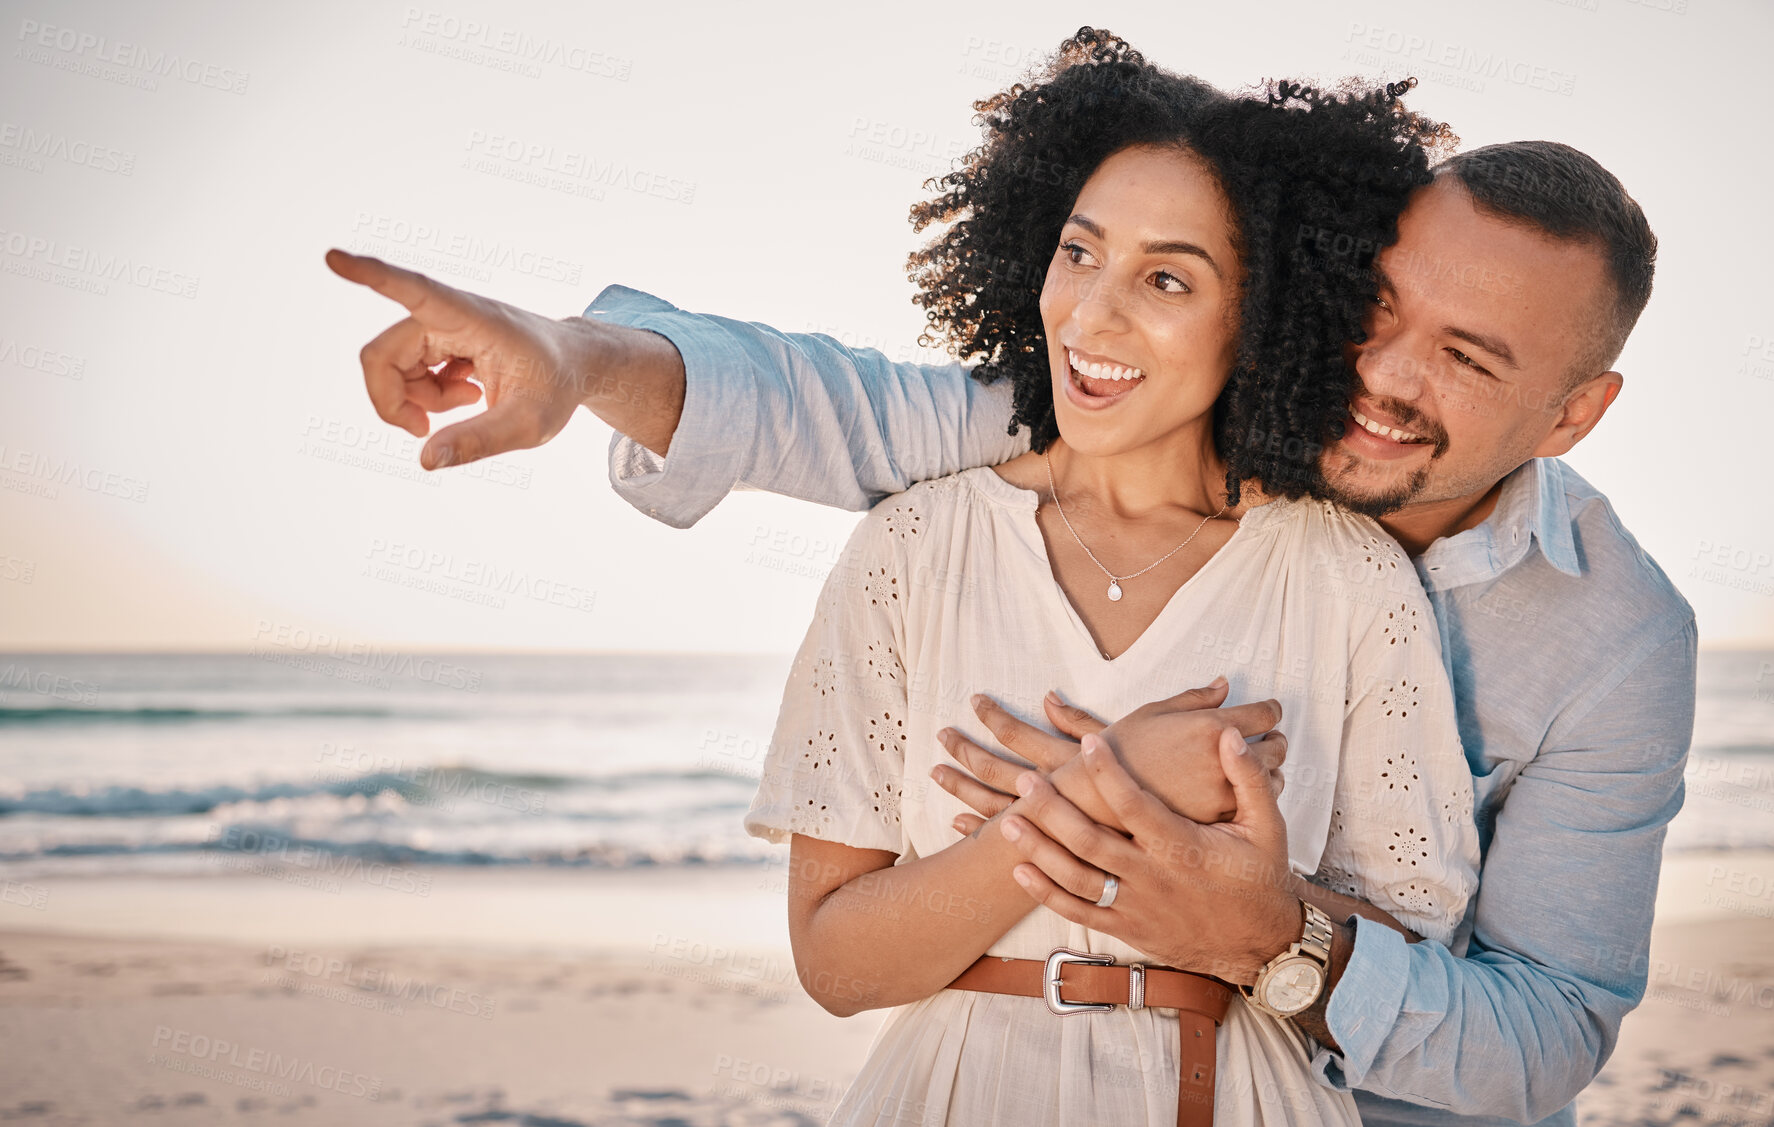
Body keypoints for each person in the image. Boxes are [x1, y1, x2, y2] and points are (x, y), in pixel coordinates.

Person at [325, 36, 1696, 1127]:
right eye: (1377, 311)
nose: (1383, 378)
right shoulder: (1023, 473)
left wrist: (1258, 927)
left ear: (1571, 413)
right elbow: (834, 406)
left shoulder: (1604, 635)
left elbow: (1544, 1028)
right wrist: (577, 360)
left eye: (1468, 358)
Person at [731, 34, 1478, 1127]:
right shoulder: (913, 547)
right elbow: (839, 964)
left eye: (1165, 277)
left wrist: (1210, 882)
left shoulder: (1346, 578)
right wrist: (1100, 787)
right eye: (1078, 253)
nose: (1090, 315)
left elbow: (1414, 957)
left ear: (1264, 319)